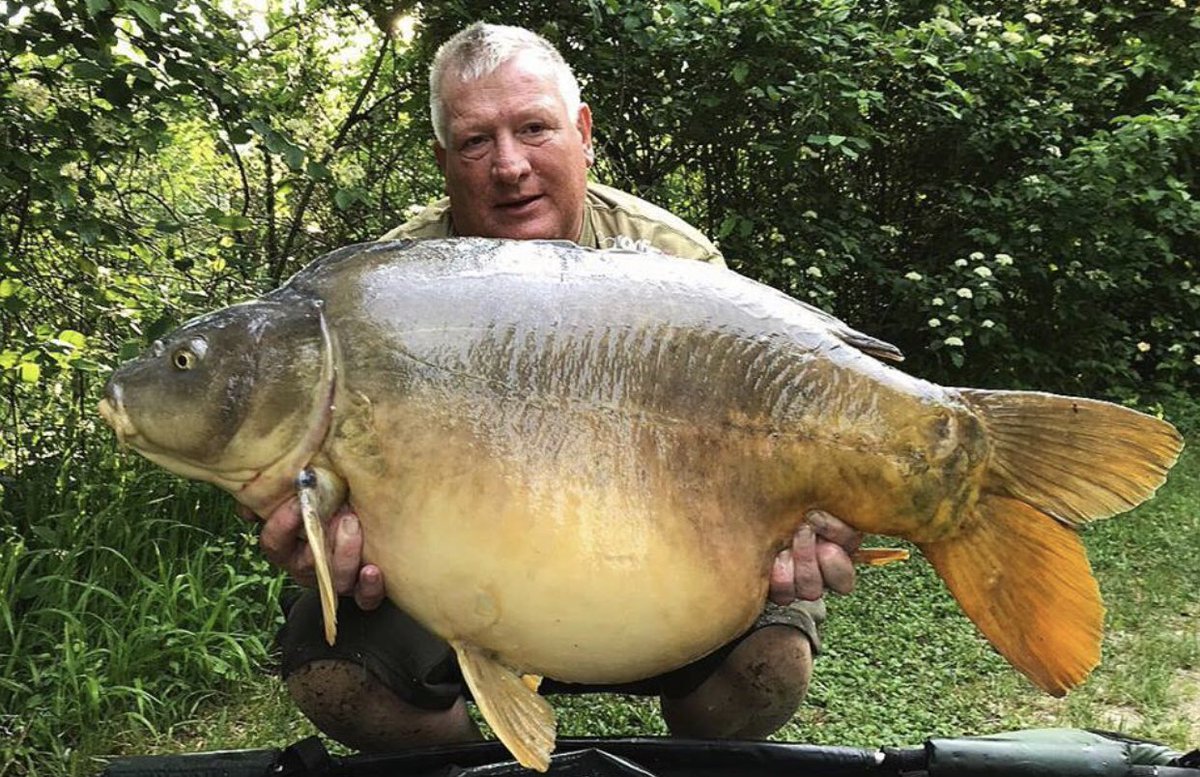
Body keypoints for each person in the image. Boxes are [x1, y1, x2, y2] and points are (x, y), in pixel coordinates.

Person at [248, 21, 864, 752]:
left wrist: (814, 505)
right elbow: (314, 467)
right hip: (457, 576)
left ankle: (695, 757)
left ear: (583, 132)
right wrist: (317, 535)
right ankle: (463, 763)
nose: (508, 165)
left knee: (771, 665)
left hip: (650, 558)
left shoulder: (674, 262)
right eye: (476, 141)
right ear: (444, 160)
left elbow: (757, 428)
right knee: (334, 674)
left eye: (533, 128)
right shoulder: (387, 290)